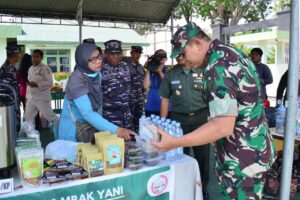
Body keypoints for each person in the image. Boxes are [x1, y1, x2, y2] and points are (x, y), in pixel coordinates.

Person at [153, 22, 276, 199]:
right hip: (253, 148)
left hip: (241, 159)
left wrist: (175, 142)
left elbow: (222, 127)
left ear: (197, 43)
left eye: (183, 52)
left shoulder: (217, 66)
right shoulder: (230, 52)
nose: (183, 59)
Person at [59, 41, 134, 141]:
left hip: (90, 126)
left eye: (99, 57)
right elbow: (88, 113)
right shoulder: (75, 81)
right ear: (83, 60)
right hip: (74, 130)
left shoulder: (97, 75)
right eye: (93, 59)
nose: (99, 61)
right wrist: (117, 130)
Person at [159, 55, 210, 199]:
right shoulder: (171, 73)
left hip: (201, 119)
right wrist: (162, 124)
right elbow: (165, 99)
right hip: (178, 121)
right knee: (179, 157)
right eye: (175, 55)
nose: (178, 57)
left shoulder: (203, 71)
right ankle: (183, 190)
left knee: (203, 157)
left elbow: (212, 96)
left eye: (181, 54)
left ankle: (203, 189)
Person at [102, 40, 134, 131]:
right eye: (112, 54)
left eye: (118, 53)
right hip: (109, 118)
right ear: (106, 53)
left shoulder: (126, 66)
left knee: (128, 144)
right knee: (111, 144)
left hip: (126, 116)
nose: (116, 56)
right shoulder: (100, 68)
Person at [24, 49, 59, 126]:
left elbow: (50, 83)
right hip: (31, 98)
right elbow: (29, 84)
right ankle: (31, 134)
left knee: (50, 117)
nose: (34, 59)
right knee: (28, 117)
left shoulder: (45, 68)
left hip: (42, 98)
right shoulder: (30, 69)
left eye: (37, 57)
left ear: (41, 58)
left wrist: (37, 84)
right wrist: (27, 97)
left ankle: (64, 130)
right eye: (33, 57)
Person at [0, 45, 21, 132]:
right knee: (11, 129)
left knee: (15, 128)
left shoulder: (12, 67)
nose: (20, 55)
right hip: (9, 106)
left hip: (13, 103)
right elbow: (4, 91)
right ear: (15, 54)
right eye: (19, 53)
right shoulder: (5, 69)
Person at [144, 49, 169, 117]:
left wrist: (159, 72)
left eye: (163, 55)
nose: (160, 57)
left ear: (166, 59)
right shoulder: (151, 70)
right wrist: (149, 69)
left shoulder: (169, 69)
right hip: (151, 107)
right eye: (158, 55)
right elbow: (146, 86)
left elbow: (168, 84)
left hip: (167, 108)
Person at [128, 46, 146, 133]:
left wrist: (143, 96)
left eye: (139, 53)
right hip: (129, 98)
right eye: (136, 53)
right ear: (131, 53)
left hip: (139, 99)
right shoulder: (126, 67)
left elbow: (144, 83)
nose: (138, 55)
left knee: (139, 119)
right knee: (129, 119)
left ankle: (137, 137)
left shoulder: (141, 68)